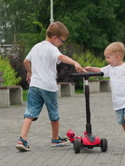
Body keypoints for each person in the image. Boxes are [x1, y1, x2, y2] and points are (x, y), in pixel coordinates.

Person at [16, 21, 86, 152]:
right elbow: (61, 57)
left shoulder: (36, 46)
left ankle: (22, 139)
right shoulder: (52, 48)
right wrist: (75, 63)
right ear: (54, 38)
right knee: (54, 114)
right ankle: (55, 139)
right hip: (48, 86)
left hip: (34, 86)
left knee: (30, 113)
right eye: (62, 41)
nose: (62, 44)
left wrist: (30, 72)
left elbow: (26, 61)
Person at [85, 42, 125, 150]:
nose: (106, 60)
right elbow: (100, 70)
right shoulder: (110, 68)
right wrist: (90, 68)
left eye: (108, 57)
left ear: (117, 57)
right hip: (117, 101)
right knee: (122, 122)